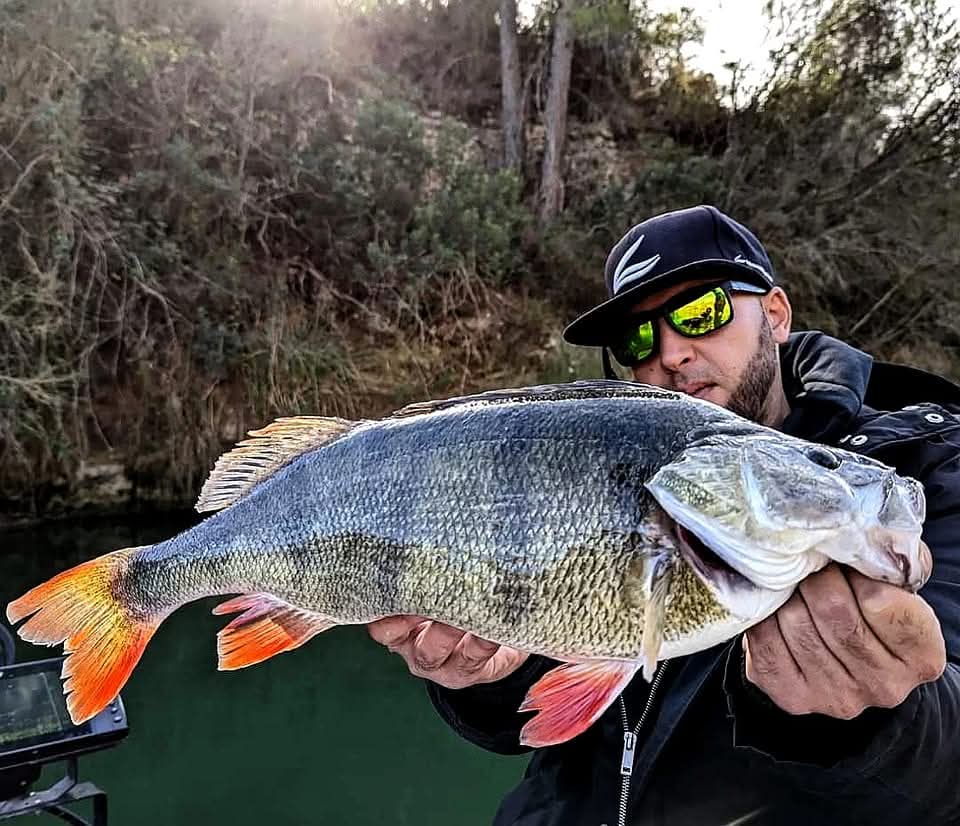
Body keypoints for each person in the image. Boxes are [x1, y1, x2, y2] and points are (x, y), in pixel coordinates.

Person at [368, 205, 960, 826]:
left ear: (776, 314)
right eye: (637, 338)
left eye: (700, 312)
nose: (671, 353)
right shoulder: (596, 466)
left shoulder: (925, 467)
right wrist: (478, 678)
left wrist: (878, 725)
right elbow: (527, 720)